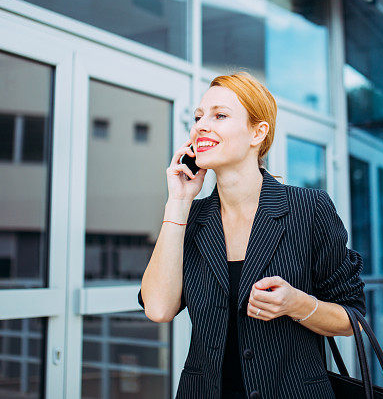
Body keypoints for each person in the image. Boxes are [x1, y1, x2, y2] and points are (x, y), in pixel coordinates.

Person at [139, 71, 365, 399]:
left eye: (220, 116)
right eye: (199, 116)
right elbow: (158, 309)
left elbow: (352, 318)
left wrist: (297, 304)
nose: (201, 125)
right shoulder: (192, 218)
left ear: (257, 133)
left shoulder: (308, 208)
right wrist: (178, 202)